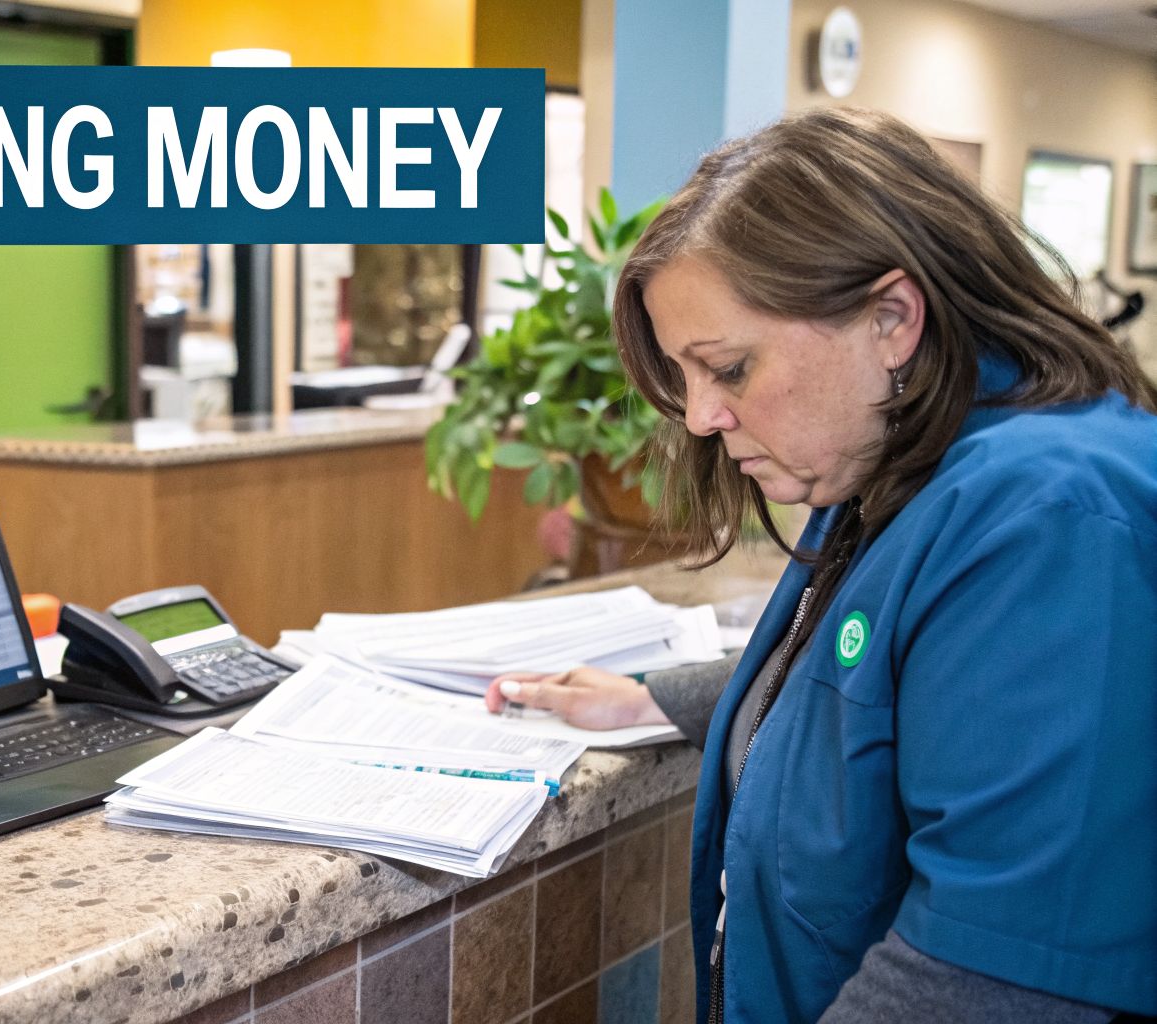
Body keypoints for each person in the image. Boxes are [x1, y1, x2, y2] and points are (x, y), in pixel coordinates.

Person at [486, 108, 1157, 1023]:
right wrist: (664, 698)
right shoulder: (900, 443)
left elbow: (991, 974)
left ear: (890, 319)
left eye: (727, 368)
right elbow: (878, 658)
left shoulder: (1050, 524)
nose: (699, 420)